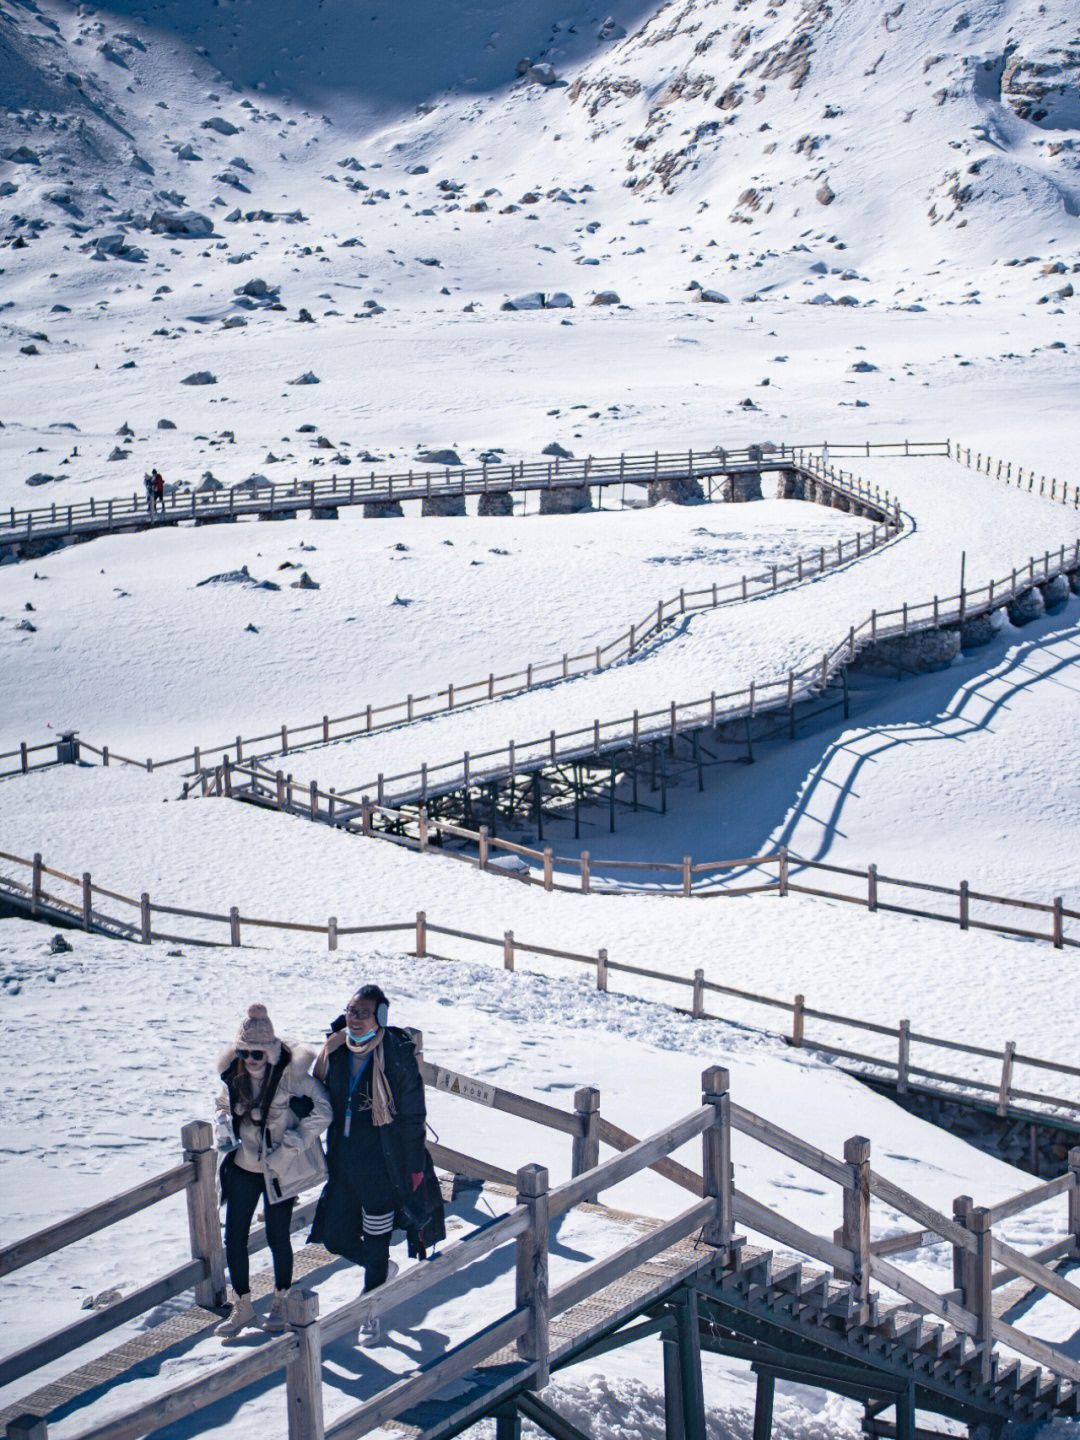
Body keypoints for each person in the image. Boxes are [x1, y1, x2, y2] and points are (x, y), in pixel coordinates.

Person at [310, 985, 445, 1346]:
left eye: (363, 1013)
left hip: (383, 1165)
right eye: (351, 1011)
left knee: (376, 1237)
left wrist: (415, 1168)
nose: (354, 1020)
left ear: (380, 1018)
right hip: (343, 1161)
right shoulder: (335, 1051)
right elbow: (315, 1093)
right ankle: (381, 1269)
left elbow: (413, 1116)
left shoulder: (396, 1056)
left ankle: (372, 1312)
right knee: (335, 1237)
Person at [214, 1003, 331, 1339]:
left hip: (279, 1169)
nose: (252, 1059)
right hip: (242, 1168)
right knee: (233, 1237)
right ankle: (244, 1306)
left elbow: (323, 1111)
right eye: (246, 1052)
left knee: (277, 1236)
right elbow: (222, 1104)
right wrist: (222, 1122)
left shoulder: (291, 1077)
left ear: (270, 1050)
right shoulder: (232, 1076)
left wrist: (291, 1146)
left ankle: (281, 1301)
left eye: (259, 1053)